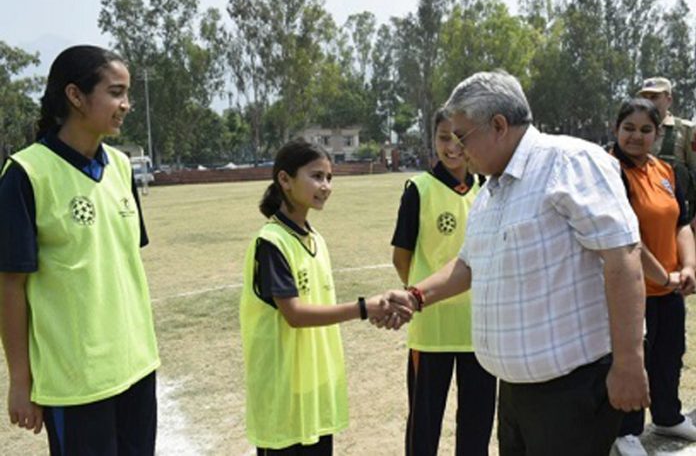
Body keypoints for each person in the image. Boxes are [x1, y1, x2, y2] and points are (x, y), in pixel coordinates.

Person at [381, 71, 649, 456]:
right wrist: (416, 296)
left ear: (499, 126)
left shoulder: (569, 163)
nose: (457, 148)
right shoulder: (491, 190)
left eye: (462, 135)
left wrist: (628, 363)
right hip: (514, 392)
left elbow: (622, 258)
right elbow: (469, 264)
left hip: (571, 393)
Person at [0, 45, 159, 455]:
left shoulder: (122, 167)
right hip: (76, 382)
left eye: (127, 94)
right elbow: (11, 285)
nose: (125, 105)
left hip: (138, 366)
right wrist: (20, 380)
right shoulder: (26, 174)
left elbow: (122, 262)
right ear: (75, 96)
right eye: (115, 92)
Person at [239, 139, 405, 455]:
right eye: (316, 176)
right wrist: (363, 308)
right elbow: (295, 314)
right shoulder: (272, 242)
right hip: (282, 394)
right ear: (284, 180)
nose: (325, 186)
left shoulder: (315, 240)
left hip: (313, 390)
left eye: (329, 178)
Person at [391, 108, 495, 456]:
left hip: (479, 328)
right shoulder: (419, 189)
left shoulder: (487, 188)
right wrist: (429, 294)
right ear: (433, 140)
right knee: (424, 421)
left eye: (460, 137)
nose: (452, 146)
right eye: (443, 137)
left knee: (477, 419)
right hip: (432, 329)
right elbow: (401, 257)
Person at [610, 98, 696, 456]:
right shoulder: (611, 171)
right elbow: (624, 236)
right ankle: (625, 431)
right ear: (616, 129)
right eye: (628, 128)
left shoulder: (666, 171)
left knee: (669, 353)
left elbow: (681, 223)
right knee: (635, 360)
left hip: (669, 287)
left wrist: (688, 267)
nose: (636, 136)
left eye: (646, 130)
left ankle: (667, 415)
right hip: (631, 290)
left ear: (659, 134)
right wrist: (663, 276)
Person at [637, 77, 696, 219]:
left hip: (679, 216)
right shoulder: (633, 131)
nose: (649, 102)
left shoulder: (687, 130)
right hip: (640, 213)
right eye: (645, 97)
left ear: (669, 100)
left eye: (654, 97)